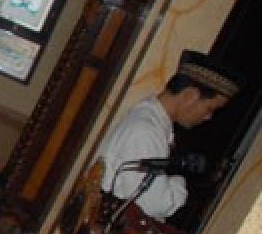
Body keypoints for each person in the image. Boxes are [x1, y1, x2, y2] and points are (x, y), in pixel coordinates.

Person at [98, 51, 238, 221]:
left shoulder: (152, 121)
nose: (208, 117)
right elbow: (157, 205)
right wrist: (179, 183)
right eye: (210, 109)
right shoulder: (147, 133)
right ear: (190, 96)